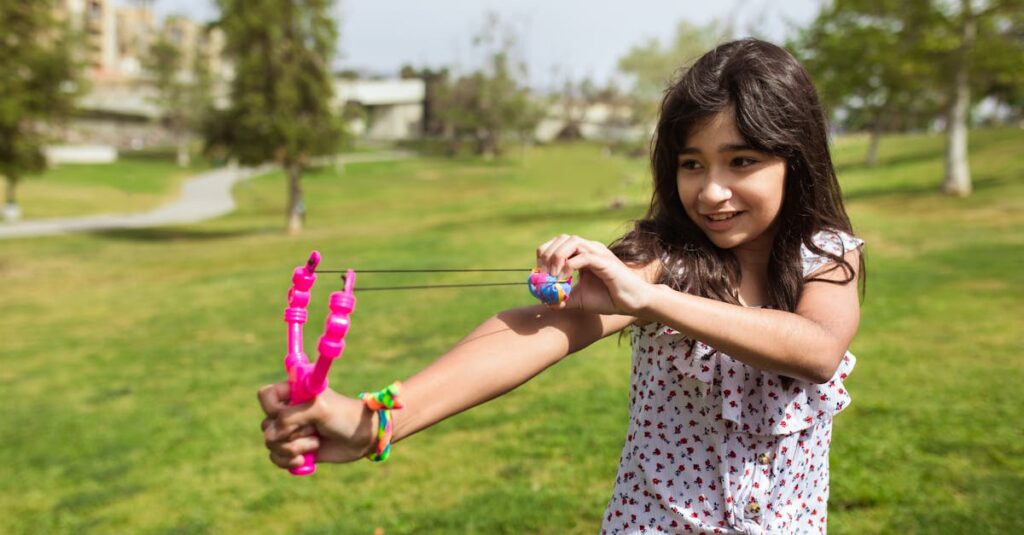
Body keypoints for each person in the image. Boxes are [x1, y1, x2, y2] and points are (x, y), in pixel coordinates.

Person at [259, 38, 865, 534]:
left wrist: (652, 301)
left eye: (741, 161)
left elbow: (816, 348)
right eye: (691, 163)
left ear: (795, 158)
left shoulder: (827, 256)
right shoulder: (663, 259)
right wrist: (376, 422)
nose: (710, 190)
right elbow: (538, 329)